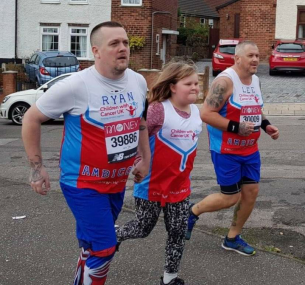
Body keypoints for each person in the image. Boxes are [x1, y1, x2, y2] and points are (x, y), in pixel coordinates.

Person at [22, 21, 151, 285]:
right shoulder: (76, 85)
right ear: (96, 51)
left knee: (91, 243)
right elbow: (30, 119)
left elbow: (140, 122)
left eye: (125, 42)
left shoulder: (138, 81)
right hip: (82, 183)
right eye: (114, 43)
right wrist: (37, 169)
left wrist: (145, 159)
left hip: (116, 183)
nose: (122, 48)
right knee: (105, 247)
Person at [186, 41, 279, 256]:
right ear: (237, 59)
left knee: (251, 193)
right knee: (230, 197)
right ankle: (192, 211)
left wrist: (266, 126)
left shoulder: (255, 80)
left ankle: (232, 238)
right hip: (226, 150)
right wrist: (236, 127)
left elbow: (254, 110)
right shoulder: (225, 81)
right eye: (250, 56)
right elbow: (206, 114)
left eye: (257, 55)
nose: (256, 59)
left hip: (250, 150)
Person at [116, 61, 203, 285]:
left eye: (197, 83)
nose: (195, 87)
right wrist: (138, 161)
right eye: (188, 83)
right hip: (150, 184)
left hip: (180, 186)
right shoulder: (157, 109)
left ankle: (169, 278)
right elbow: (136, 134)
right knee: (143, 228)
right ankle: (115, 235)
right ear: (173, 86)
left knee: (177, 233)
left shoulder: (196, 112)